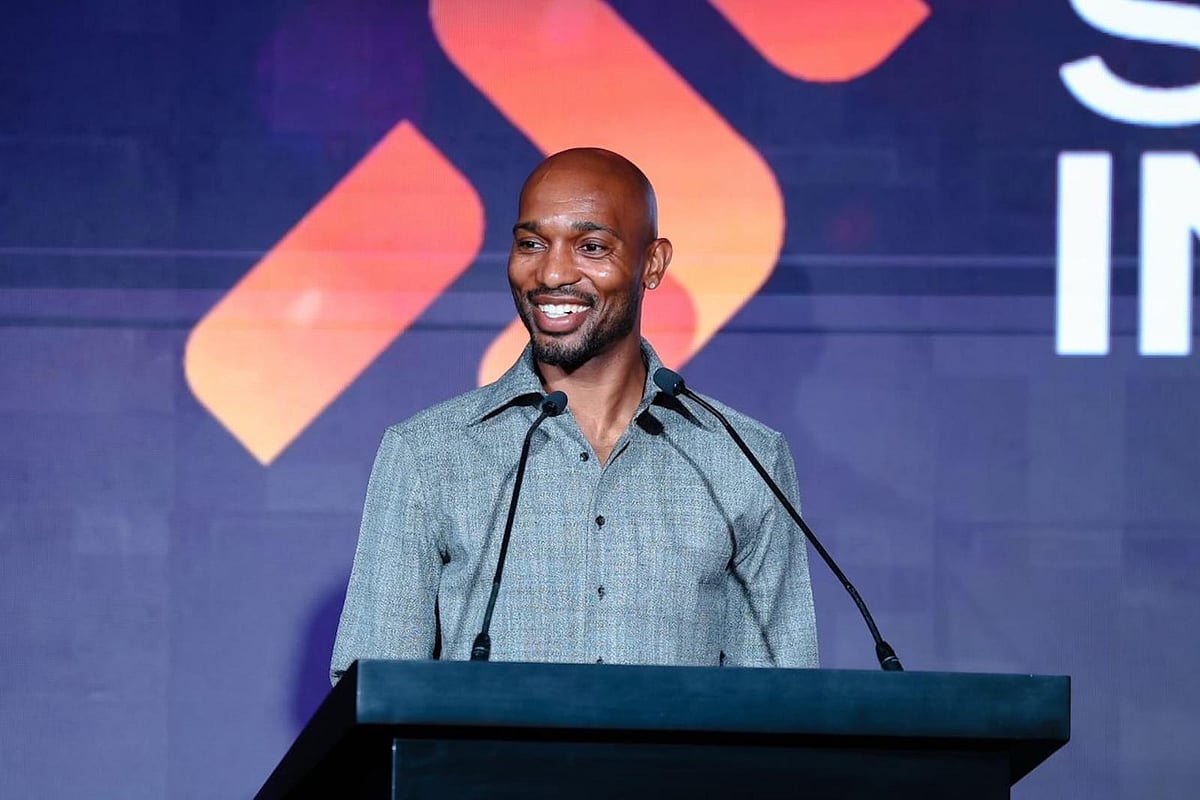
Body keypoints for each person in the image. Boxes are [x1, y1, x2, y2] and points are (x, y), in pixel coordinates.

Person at [330, 148, 817, 682]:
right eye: (531, 244)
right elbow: (371, 693)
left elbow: (779, 701)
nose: (553, 272)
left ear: (653, 264)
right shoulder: (428, 455)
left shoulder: (746, 458)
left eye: (591, 247)